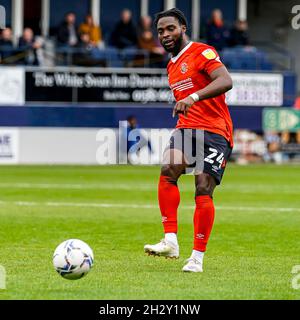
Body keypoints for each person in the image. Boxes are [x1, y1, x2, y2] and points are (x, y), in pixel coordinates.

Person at [144, 8, 233, 273]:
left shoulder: (203, 52)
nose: (165, 34)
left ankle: (197, 257)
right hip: (187, 128)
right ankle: (170, 240)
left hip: (216, 130)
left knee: (202, 187)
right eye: (160, 31)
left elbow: (225, 80)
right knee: (168, 171)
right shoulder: (171, 65)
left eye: (170, 28)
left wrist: (193, 97)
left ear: (183, 27)